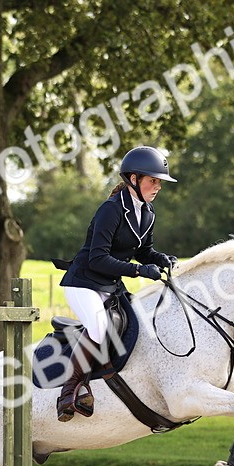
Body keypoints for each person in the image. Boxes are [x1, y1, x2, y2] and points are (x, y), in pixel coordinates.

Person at [55, 146, 179, 421]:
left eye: (159, 182)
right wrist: (138, 271)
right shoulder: (111, 210)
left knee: (137, 324)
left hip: (110, 286)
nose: (158, 186)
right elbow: (98, 258)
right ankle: (69, 391)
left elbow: (144, 250)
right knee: (98, 327)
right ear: (133, 179)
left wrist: (161, 259)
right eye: (153, 180)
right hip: (83, 282)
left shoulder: (147, 212)